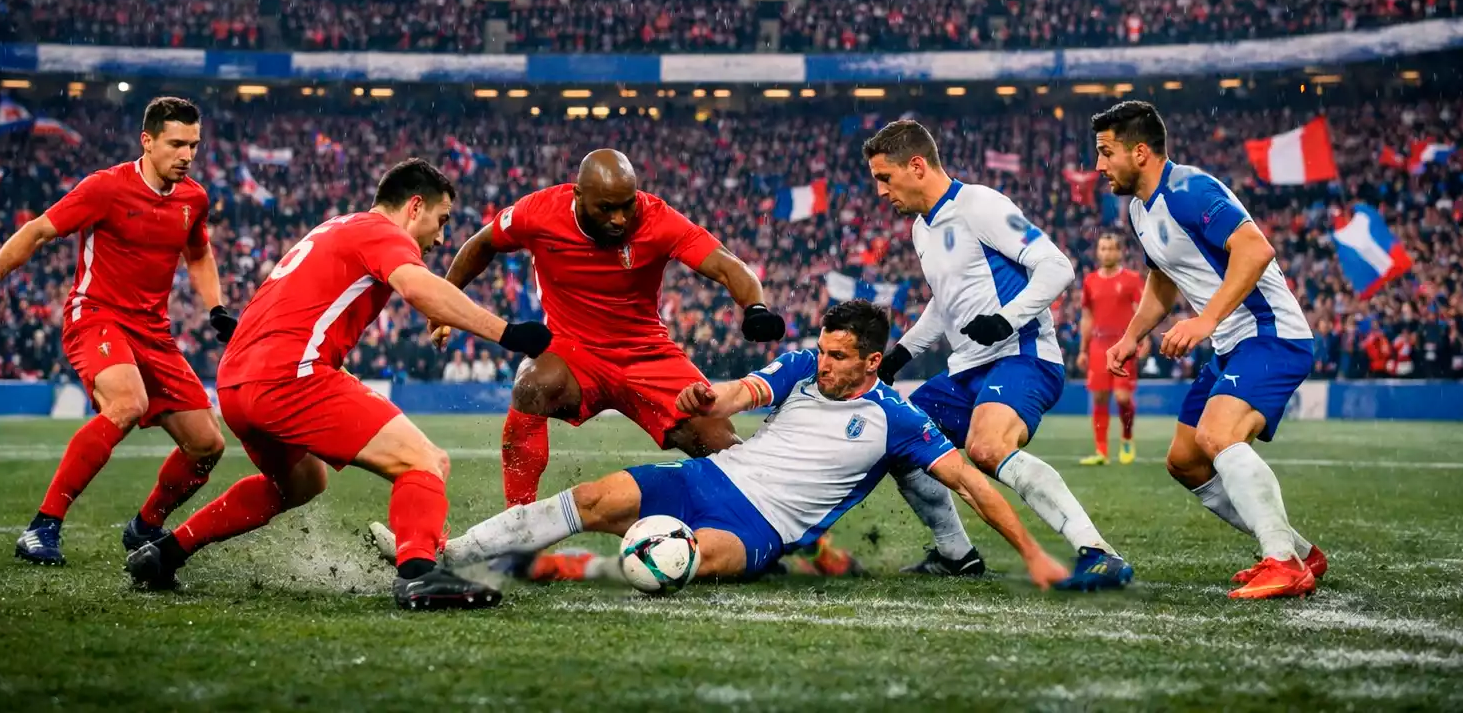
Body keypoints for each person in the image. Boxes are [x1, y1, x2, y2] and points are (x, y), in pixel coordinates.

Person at [124, 158, 553, 611]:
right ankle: (418, 574)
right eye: (441, 220)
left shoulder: (334, 228)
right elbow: (416, 287)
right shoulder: (382, 233)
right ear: (414, 206)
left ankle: (165, 553)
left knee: (301, 483)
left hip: (236, 382)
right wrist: (508, 333)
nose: (442, 237)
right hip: (288, 377)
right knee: (425, 461)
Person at [432, 301, 1069, 589]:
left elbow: (972, 481)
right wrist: (706, 398)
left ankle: (574, 567)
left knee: (687, 561)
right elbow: (740, 393)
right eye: (822, 349)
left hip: (761, 528)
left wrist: (1033, 554)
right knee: (592, 496)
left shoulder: (897, 418)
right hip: (710, 479)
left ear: (872, 361)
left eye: (839, 357)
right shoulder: (798, 367)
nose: (824, 364)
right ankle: (448, 555)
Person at [0, 96, 239, 567]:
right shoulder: (105, 187)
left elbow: (198, 254)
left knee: (207, 444)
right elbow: (39, 230)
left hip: (153, 331)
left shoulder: (194, 198)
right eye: (176, 144)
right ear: (147, 142)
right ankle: (42, 527)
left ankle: (145, 527)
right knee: (128, 403)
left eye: (193, 144)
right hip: (96, 316)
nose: (187, 155)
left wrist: (216, 308)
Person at [863, 119, 1133, 590]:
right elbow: (943, 300)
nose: (880, 191)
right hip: (965, 370)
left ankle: (1099, 552)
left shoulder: (980, 204)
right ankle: (956, 554)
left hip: (1022, 356)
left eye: (885, 178)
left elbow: (1055, 267)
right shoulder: (921, 230)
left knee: (988, 449)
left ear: (918, 165)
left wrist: (1006, 320)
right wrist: (900, 354)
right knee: (899, 440)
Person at [1092, 99, 1326, 600]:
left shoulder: (1189, 187)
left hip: (1270, 335)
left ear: (1140, 152)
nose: (1098, 165)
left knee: (1218, 437)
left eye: (1106, 152)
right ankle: (1300, 551)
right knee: (1186, 461)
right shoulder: (1138, 209)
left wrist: (1206, 318)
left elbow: (1255, 249)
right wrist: (1133, 336)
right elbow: (1163, 277)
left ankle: (1281, 562)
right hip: (1230, 344)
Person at [445, 150, 785, 491]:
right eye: (606, 208)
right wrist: (443, 300)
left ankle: (782, 523)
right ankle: (517, 527)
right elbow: (482, 243)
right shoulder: (537, 213)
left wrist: (754, 306)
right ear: (578, 195)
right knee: (532, 384)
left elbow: (728, 265)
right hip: (572, 351)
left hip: (647, 354)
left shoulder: (658, 219)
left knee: (724, 446)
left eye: (627, 205)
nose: (620, 218)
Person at [1077, 233, 1147, 466]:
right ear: (1098, 252)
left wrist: (1143, 338)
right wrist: (1083, 349)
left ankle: (1127, 439)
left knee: (1122, 397)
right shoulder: (1090, 281)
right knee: (1099, 398)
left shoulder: (1131, 279)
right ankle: (1101, 451)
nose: (1106, 253)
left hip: (1123, 344)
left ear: (1120, 252)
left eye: (1111, 249)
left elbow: (1142, 311)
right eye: (1103, 248)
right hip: (1098, 345)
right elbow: (1087, 317)